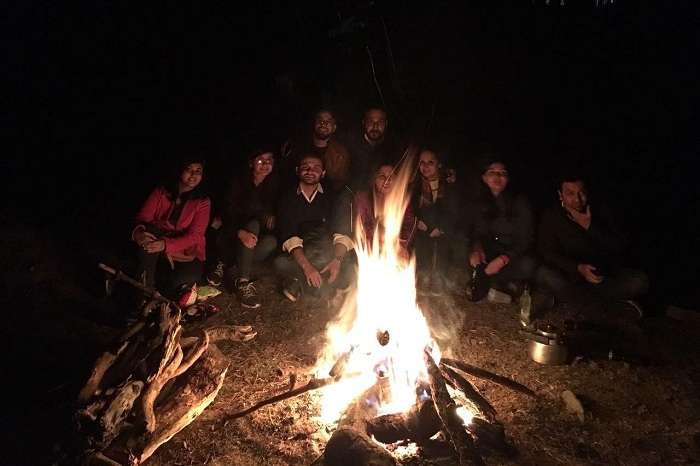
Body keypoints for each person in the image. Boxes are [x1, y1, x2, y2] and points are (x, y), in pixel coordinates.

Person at [535, 174, 649, 316]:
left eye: (581, 193)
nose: (577, 199)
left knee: (639, 281)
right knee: (544, 274)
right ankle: (603, 306)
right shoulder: (552, 215)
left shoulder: (601, 210)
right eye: (570, 194)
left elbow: (619, 246)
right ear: (560, 195)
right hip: (571, 277)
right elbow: (547, 252)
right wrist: (578, 268)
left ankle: (582, 303)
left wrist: (589, 225)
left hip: (602, 278)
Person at [273, 153, 354, 303]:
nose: (310, 171)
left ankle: (301, 283)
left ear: (323, 173)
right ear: (297, 170)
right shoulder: (287, 197)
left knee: (347, 265)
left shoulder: (333, 196)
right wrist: (307, 268)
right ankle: (312, 284)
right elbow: (289, 235)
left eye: (316, 168)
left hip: (327, 252)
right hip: (302, 253)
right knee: (280, 263)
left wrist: (336, 260)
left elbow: (342, 230)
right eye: (305, 167)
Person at [207, 148, 279, 309]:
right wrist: (240, 232)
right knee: (252, 225)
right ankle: (242, 283)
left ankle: (227, 265)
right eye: (260, 160)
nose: (265, 164)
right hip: (228, 235)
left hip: (250, 241)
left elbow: (268, 216)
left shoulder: (272, 186)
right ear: (251, 163)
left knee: (271, 242)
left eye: (269, 160)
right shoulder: (237, 182)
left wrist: (271, 215)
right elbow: (224, 215)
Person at [131, 158, 210, 301]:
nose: (193, 175)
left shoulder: (202, 201)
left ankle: (158, 295)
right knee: (148, 236)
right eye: (189, 169)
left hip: (184, 249)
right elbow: (143, 217)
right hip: (157, 238)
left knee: (181, 281)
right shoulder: (161, 191)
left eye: (198, 171)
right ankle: (143, 296)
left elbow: (196, 235)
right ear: (180, 170)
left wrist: (166, 245)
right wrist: (138, 233)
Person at [469, 158, 536, 302]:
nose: (497, 177)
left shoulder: (520, 201)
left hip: (513, 254)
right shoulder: (480, 202)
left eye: (502, 173)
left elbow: (525, 240)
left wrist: (503, 259)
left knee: (528, 265)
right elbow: (477, 232)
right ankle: (500, 285)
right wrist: (477, 248)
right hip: (491, 250)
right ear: (484, 178)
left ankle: (497, 283)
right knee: (467, 255)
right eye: (492, 172)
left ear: (508, 178)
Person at [412, 149, 468, 293]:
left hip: (443, 228)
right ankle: (423, 278)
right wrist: (418, 222)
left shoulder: (449, 184)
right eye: (422, 163)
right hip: (422, 227)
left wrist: (441, 227)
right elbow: (410, 207)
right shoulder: (415, 185)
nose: (426, 166)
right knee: (420, 241)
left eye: (430, 162)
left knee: (445, 243)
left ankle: (440, 279)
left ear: (439, 165)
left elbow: (454, 210)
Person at [338, 162, 417, 260]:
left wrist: (400, 245)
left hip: (396, 250)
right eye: (382, 176)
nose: (387, 180)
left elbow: (409, 225)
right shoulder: (363, 198)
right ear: (375, 179)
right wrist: (381, 241)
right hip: (369, 250)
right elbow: (362, 226)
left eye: (391, 176)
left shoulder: (402, 201)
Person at [279, 109, 351, 197]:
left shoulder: (341, 153)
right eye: (320, 120)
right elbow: (285, 177)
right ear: (314, 124)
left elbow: (342, 183)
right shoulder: (296, 147)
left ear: (334, 127)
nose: (323, 123)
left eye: (328, 121)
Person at [344, 107, 402, 191]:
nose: (375, 126)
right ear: (364, 122)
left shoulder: (394, 148)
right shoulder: (350, 146)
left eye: (380, 121)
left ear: (386, 124)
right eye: (371, 121)